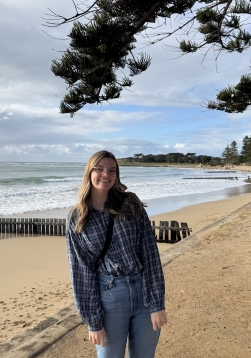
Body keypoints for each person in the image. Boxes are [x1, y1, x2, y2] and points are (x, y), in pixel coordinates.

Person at [66, 150, 167, 358]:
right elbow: (81, 273)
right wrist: (93, 321)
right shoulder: (77, 217)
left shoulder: (130, 203)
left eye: (112, 170)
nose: (106, 174)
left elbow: (149, 253)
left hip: (143, 292)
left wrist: (157, 303)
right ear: (89, 172)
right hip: (109, 296)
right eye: (99, 169)